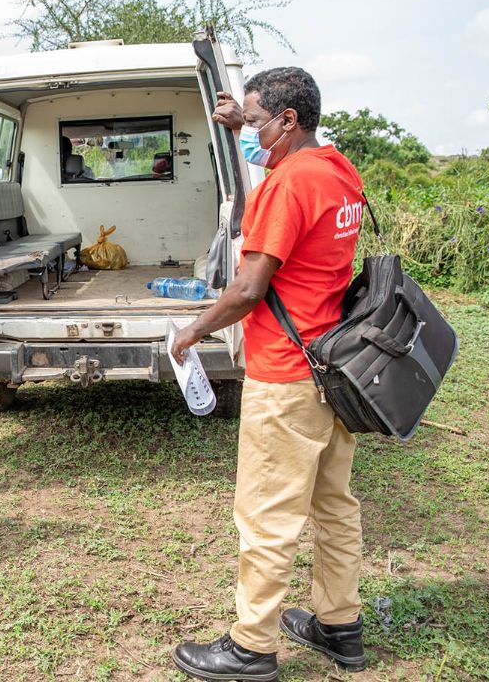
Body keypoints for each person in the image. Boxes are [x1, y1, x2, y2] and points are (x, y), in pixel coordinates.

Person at [169, 68, 368, 681]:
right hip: (333, 367)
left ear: (288, 120)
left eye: (256, 122)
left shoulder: (286, 186)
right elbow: (293, 202)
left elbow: (250, 288)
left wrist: (192, 333)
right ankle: (339, 626)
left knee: (266, 514)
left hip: (285, 375)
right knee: (333, 504)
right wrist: (238, 131)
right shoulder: (338, 170)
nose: (251, 133)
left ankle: (251, 646)